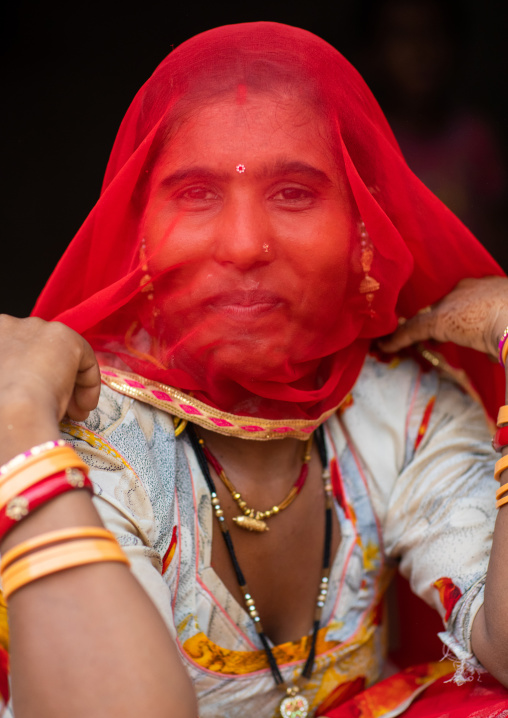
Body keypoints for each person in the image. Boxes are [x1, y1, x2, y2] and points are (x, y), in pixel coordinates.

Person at [0, 21, 508, 718]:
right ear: (139, 232)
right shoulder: (97, 430)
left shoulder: (399, 408)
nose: (244, 245)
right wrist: (20, 424)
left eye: (295, 193)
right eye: (196, 194)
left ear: (363, 228)